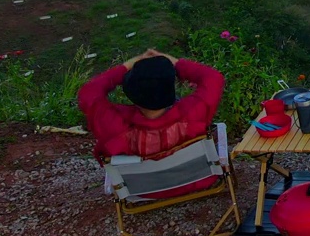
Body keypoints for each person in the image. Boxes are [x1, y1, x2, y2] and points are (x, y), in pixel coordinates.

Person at [78, 48, 224, 197]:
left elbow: (89, 93)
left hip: (141, 190)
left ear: (133, 95)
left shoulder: (114, 125)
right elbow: (213, 78)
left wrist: (127, 66)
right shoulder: (192, 114)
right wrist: (174, 62)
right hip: (197, 181)